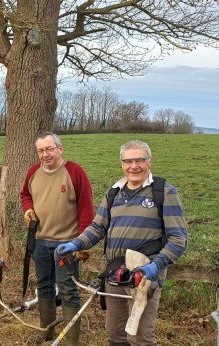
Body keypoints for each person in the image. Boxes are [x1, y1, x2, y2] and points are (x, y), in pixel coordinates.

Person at [56, 140, 188, 346]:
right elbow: (97, 227)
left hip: (144, 278)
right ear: (122, 164)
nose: (134, 166)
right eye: (128, 161)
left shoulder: (164, 192)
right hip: (115, 274)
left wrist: (156, 266)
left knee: (140, 336)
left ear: (149, 162)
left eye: (139, 160)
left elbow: (178, 239)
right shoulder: (114, 192)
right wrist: (76, 244)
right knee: (116, 333)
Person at [19, 132, 93, 344]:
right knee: (44, 286)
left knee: (69, 290)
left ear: (60, 149)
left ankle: (71, 341)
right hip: (40, 241)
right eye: (41, 151)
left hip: (67, 244)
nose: (45, 154)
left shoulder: (75, 172)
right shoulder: (33, 171)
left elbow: (86, 208)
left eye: (49, 149)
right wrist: (28, 210)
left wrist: (83, 241)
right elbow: (25, 195)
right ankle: (47, 333)